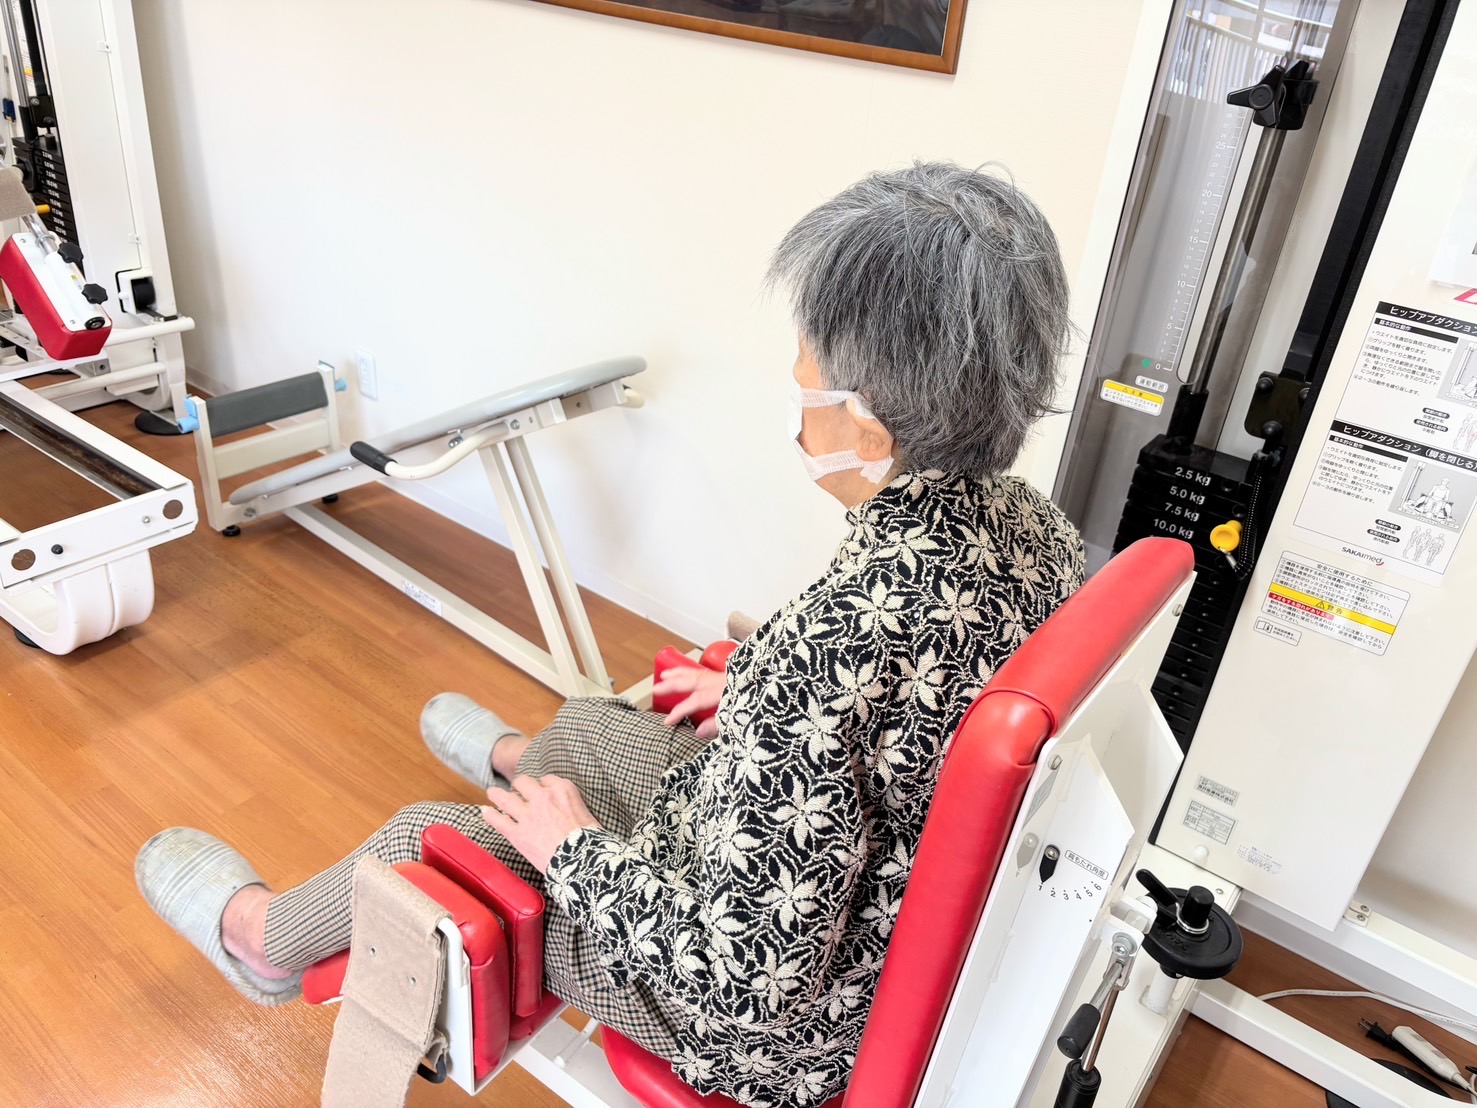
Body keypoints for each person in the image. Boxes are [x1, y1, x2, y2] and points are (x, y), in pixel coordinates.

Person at [136, 161, 1086, 1107]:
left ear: (871, 433)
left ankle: (265, 942)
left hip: (767, 1027)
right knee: (591, 725)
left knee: (426, 841)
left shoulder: (830, 651)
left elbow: (747, 984)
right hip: (865, 900)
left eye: (810, 380)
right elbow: (905, 701)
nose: (797, 392)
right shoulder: (1032, 528)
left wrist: (574, 851)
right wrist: (760, 690)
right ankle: (532, 768)